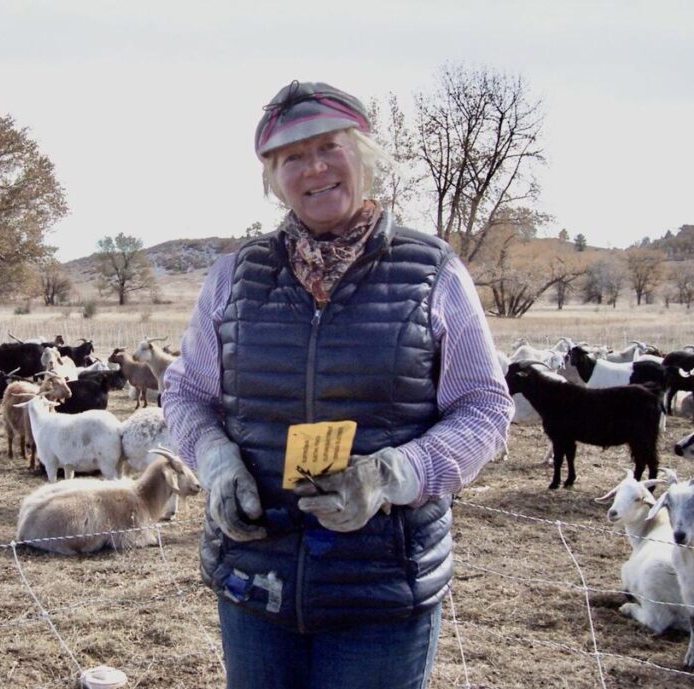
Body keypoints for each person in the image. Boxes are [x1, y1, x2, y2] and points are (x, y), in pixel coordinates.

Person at [163, 81, 514, 689]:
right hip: (257, 581)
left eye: (329, 147)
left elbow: (483, 408)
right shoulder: (234, 277)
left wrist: (391, 475)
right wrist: (216, 460)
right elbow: (187, 394)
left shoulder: (433, 273)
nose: (314, 168)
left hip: (381, 593)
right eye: (292, 157)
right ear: (273, 177)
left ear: (364, 154)